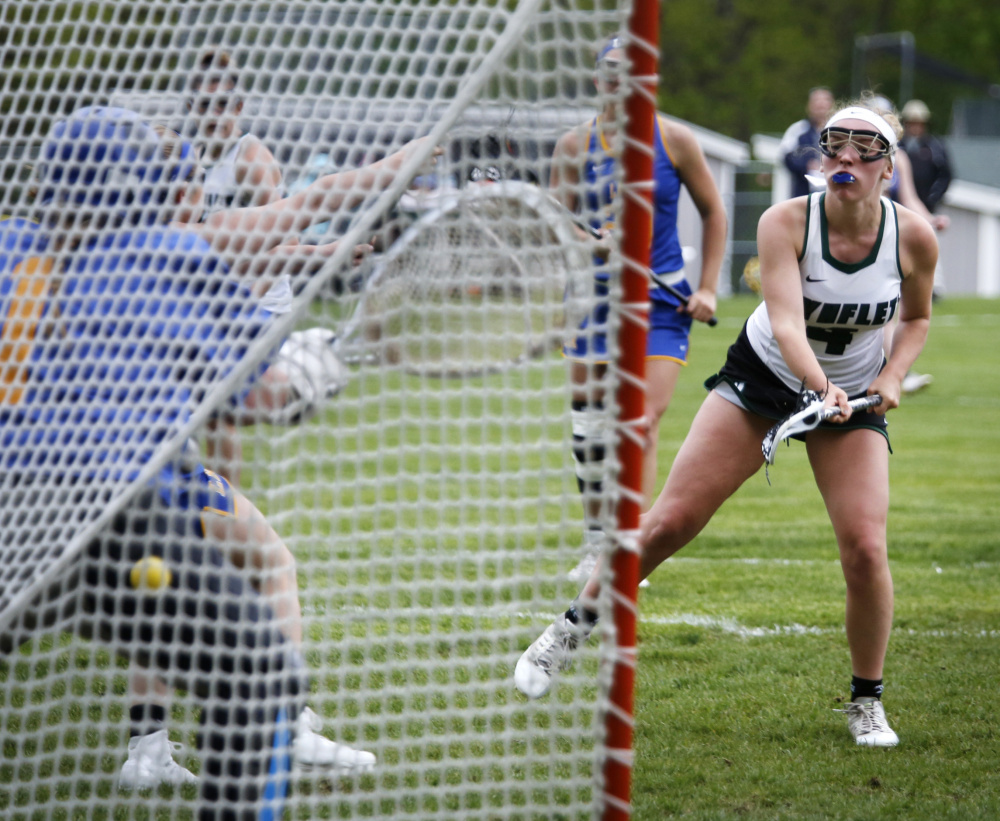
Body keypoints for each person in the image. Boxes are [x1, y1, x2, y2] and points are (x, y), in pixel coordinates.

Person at [515, 98, 938, 750]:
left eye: (864, 147)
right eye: (835, 144)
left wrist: (888, 377)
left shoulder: (913, 236)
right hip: (767, 378)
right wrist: (819, 386)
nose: (846, 158)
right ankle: (565, 632)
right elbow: (789, 323)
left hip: (852, 398)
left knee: (865, 547)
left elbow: (914, 319)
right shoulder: (784, 222)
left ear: (888, 165)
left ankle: (866, 701)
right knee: (670, 522)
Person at [106, 111, 436, 788]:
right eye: (192, 176)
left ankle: (146, 749)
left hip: (56, 474)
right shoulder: (186, 239)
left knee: (159, 590)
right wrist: (422, 147)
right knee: (272, 561)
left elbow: (267, 252)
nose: (203, 185)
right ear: (167, 186)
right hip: (144, 470)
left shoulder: (96, 244)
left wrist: (337, 251)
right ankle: (285, 725)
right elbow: (312, 202)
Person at [1, 106, 311, 819]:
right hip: (104, 515)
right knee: (258, 671)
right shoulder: (154, 257)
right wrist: (310, 376)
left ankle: (149, 738)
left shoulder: (8, 246)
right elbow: (259, 392)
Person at [554, 36, 727, 584]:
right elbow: (556, 231)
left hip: (661, 301)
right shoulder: (573, 147)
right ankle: (595, 535)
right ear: (598, 77)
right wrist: (591, 244)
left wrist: (708, 288)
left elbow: (715, 213)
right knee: (589, 422)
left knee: (642, 421)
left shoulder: (674, 140)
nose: (618, 82)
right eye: (609, 70)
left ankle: (627, 543)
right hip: (593, 300)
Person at [778, 87, 836, 199]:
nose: (821, 105)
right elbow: (786, 157)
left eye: (825, 101)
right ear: (809, 106)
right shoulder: (798, 129)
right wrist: (806, 166)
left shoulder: (839, 131)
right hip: (803, 192)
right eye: (817, 101)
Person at [900, 99, 953, 216]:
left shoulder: (935, 147)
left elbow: (945, 175)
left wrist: (932, 199)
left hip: (926, 207)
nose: (915, 128)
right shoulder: (897, 147)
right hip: (899, 207)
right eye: (912, 123)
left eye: (919, 123)